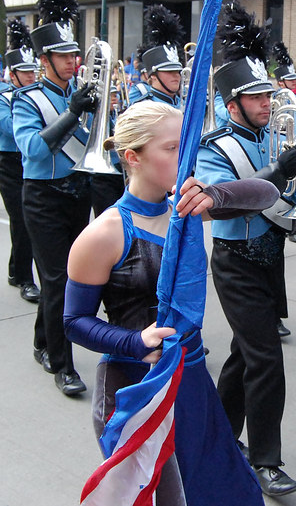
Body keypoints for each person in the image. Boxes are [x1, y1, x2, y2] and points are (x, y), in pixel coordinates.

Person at [65, 101, 276, 506]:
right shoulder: (105, 233)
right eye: (172, 148)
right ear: (133, 157)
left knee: (219, 488)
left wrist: (213, 195)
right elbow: (74, 321)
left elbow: (267, 193)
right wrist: (134, 342)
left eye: (188, 146)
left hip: (190, 378)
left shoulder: (184, 210)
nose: (186, 159)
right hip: (136, 385)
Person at [195, 1, 296, 496]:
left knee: (245, 353)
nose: (268, 102)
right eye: (256, 97)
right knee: (266, 358)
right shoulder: (215, 146)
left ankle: (217, 433)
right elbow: (217, 202)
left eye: (268, 94)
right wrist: (280, 171)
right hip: (236, 262)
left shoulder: (275, 135)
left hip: (270, 256)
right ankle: (266, 460)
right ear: (232, 104)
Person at [12, 0, 95, 396]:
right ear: (43, 59)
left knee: (60, 278)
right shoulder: (26, 99)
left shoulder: (83, 93)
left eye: (73, 54)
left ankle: (43, 341)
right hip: (43, 196)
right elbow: (32, 149)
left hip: (78, 192)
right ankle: (63, 366)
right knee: (61, 279)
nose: (72, 61)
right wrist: (72, 114)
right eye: (62, 55)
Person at [0, 19, 41, 304]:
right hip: (11, 164)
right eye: (25, 71)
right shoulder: (0, 99)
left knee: (28, 222)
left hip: (34, 165)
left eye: (33, 70)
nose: (31, 76)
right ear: (12, 74)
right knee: (21, 220)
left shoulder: (40, 96)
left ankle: (14, 269)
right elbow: (11, 129)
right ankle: (24, 278)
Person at [272, 42, 296, 245]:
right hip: (280, 144)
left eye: (295, 78)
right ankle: (290, 227)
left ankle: (294, 226)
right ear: (280, 82)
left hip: (294, 142)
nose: (295, 81)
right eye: (290, 79)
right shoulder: (277, 99)